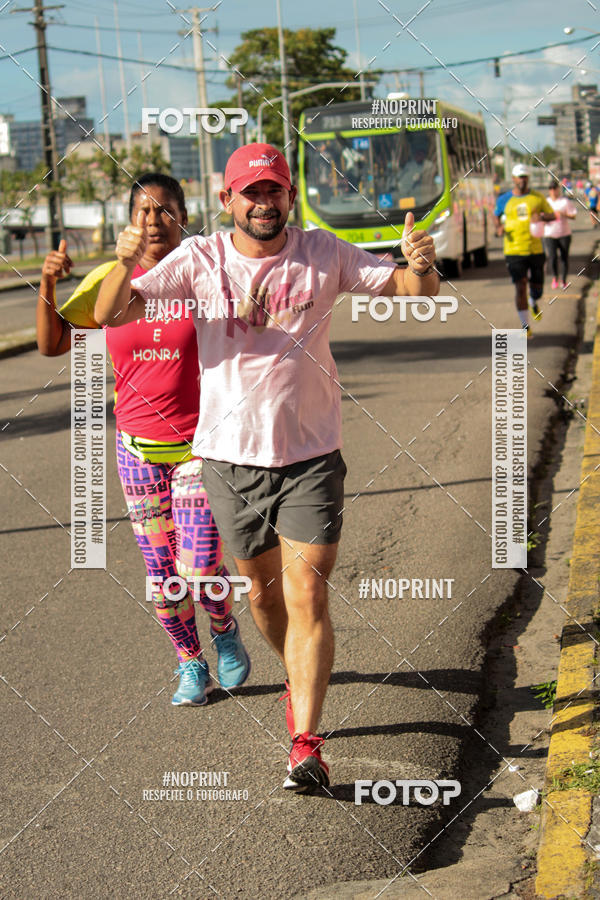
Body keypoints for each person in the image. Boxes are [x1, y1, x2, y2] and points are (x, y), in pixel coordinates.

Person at [94, 143, 439, 793]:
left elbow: (412, 290)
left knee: (308, 593)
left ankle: (305, 742)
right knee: (263, 595)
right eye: (250, 192)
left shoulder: (323, 252)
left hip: (311, 455)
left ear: (290, 196)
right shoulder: (199, 259)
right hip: (229, 460)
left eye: (274, 190)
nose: (263, 202)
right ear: (228, 200)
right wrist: (120, 261)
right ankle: (295, 673)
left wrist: (422, 265)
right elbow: (111, 312)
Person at [36, 172, 250, 707]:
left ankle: (223, 628)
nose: (154, 221)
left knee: (199, 564)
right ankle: (190, 663)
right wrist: (48, 282)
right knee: (162, 571)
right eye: (143, 211)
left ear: (184, 216)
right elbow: (52, 344)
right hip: (137, 450)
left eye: (165, 209)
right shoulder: (111, 281)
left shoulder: (203, 272)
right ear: (130, 220)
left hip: (201, 446)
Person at [493, 163, 555, 335]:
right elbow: (496, 215)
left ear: (528, 178)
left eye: (525, 177)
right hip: (513, 250)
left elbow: (552, 215)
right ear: (513, 179)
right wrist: (498, 228)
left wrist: (540, 216)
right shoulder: (504, 199)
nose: (522, 180)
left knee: (537, 289)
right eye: (520, 177)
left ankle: (533, 301)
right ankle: (525, 326)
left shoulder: (537, 197)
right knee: (520, 286)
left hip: (535, 249)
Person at [543, 180, 577, 290]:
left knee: (564, 257)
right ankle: (555, 277)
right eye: (551, 188)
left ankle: (563, 280)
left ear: (558, 189)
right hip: (550, 234)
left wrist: (563, 214)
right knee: (552, 257)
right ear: (549, 190)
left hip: (564, 234)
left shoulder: (565, 201)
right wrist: (548, 216)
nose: (553, 190)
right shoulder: (545, 202)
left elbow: (573, 215)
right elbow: (541, 217)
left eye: (555, 188)